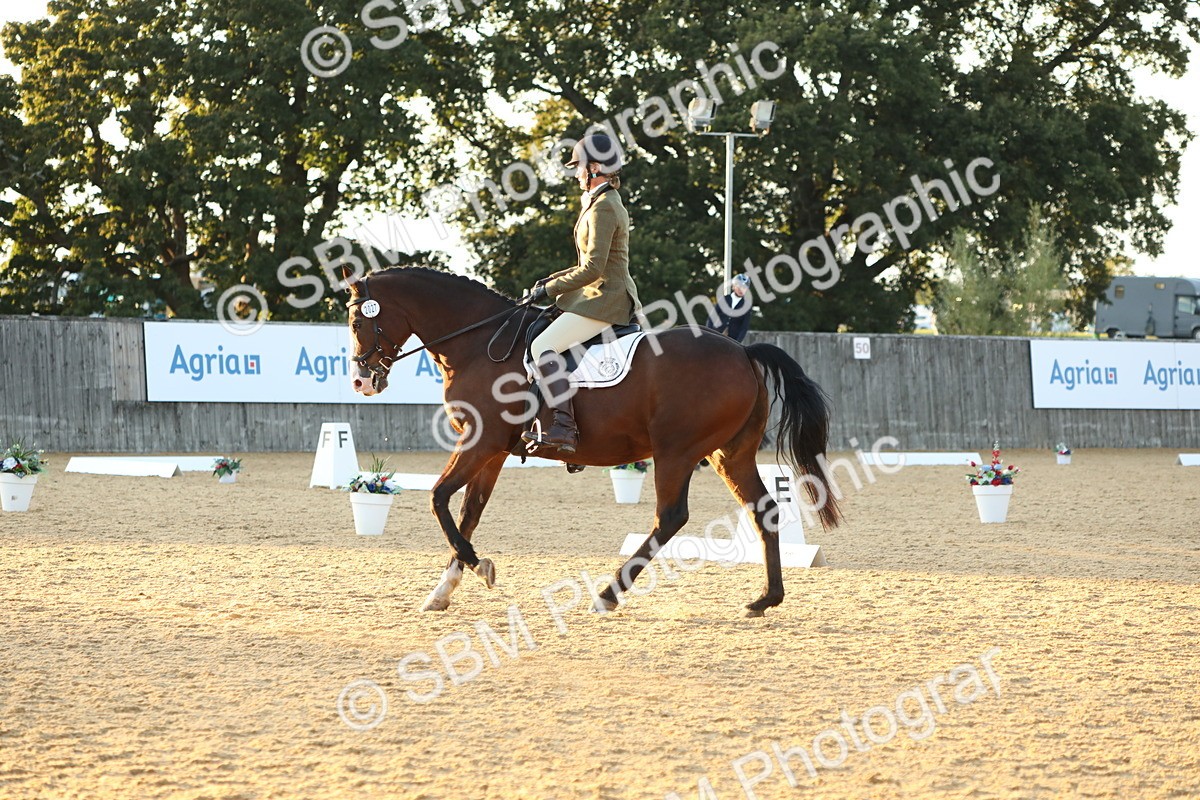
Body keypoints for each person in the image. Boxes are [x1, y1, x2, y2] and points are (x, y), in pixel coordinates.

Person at [522, 133, 642, 454]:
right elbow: (583, 263)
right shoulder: (599, 202)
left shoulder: (604, 207)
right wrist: (549, 280)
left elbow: (592, 269)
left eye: (579, 167)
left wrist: (550, 289)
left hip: (605, 298)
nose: (576, 173)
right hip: (597, 294)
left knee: (542, 346)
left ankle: (564, 427)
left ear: (596, 167)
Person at [707, 273, 752, 341]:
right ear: (733, 286)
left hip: (732, 339)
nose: (741, 290)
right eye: (739, 286)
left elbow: (744, 327)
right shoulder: (724, 299)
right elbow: (711, 317)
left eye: (744, 288)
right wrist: (709, 333)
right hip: (716, 335)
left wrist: (738, 342)